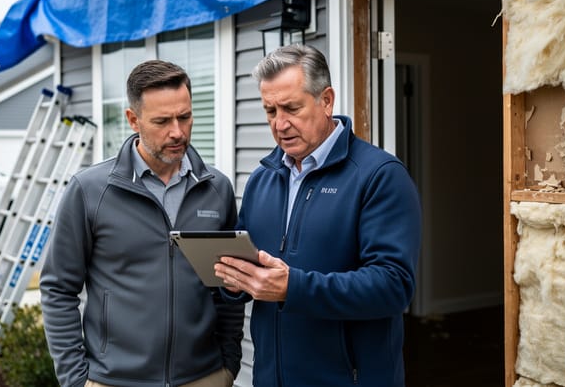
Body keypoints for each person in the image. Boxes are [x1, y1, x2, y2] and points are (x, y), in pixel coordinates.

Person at [214, 45, 421, 387]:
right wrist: (235, 282)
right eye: (270, 111)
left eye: (292, 108)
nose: (280, 124)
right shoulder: (262, 179)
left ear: (326, 100)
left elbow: (393, 285)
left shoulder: (380, 175)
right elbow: (248, 263)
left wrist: (293, 286)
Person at [41, 60, 244, 387]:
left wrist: (228, 364)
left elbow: (227, 285)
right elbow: (57, 288)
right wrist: (76, 380)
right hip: (115, 380)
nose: (177, 132)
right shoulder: (90, 191)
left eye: (185, 117)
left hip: (204, 377)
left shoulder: (216, 189)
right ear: (133, 120)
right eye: (162, 121)